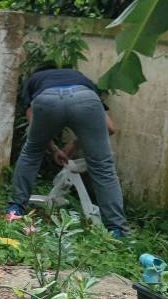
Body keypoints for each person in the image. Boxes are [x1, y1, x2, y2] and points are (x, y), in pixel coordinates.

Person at [7, 65, 128, 237]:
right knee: (102, 166)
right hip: (85, 98)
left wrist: (54, 149)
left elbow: (34, 125)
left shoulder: (34, 80)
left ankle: (15, 210)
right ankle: (116, 230)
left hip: (47, 100)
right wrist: (74, 144)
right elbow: (110, 128)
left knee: (31, 153)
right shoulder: (80, 78)